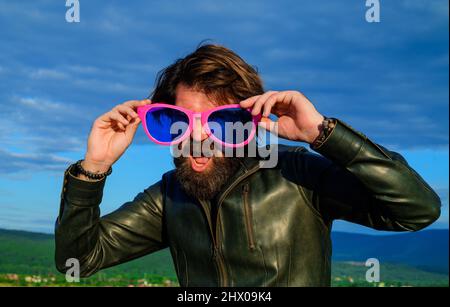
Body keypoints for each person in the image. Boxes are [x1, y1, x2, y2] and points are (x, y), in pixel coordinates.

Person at [55, 44, 441, 286]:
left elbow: (418, 210)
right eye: (179, 121)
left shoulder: (297, 175)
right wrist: (94, 167)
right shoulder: (170, 195)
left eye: (220, 121)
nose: (198, 136)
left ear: (249, 124)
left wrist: (323, 134)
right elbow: (78, 260)